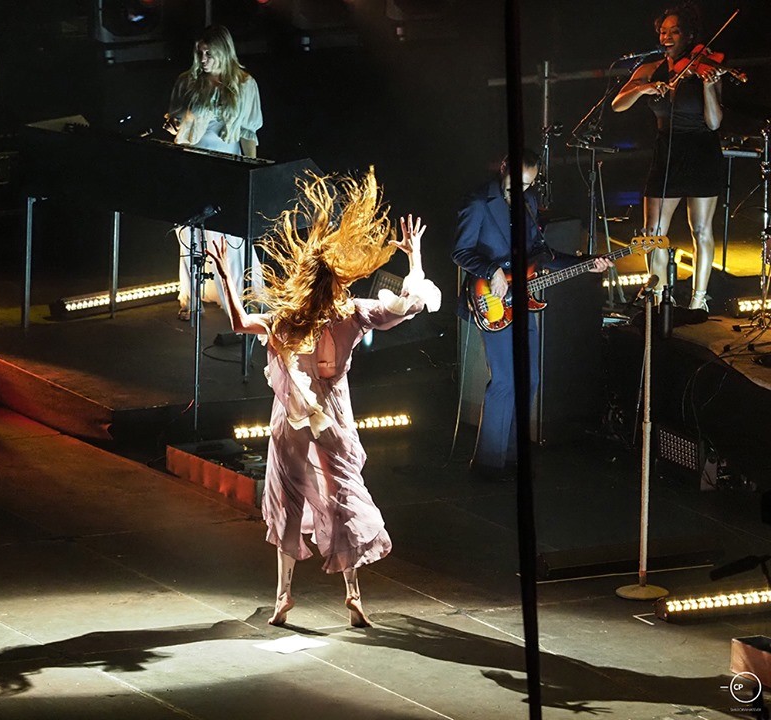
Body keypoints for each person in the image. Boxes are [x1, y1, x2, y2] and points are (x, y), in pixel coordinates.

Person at [207, 169, 440, 628]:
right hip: (333, 415)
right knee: (342, 493)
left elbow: (239, 323)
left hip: (293, 416)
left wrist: (225, 276)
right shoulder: (352, 313)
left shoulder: (287, 320)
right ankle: (352, 594)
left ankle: (283, 596)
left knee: (288, 497)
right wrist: (414, 259)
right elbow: (408, 304)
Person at [451, 151, 611, 481]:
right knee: (505, 380)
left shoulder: (528, 201)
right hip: (490, 298)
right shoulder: (479, 202)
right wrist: (491, 269)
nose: (520, 190)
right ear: (504, 168)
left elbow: (541, 253)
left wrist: (585, 263)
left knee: (530, 380)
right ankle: (487, 464)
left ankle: (511, 456)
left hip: (522, 300)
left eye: (528, 184)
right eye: (516, 183)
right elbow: (460, 251)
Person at [611, 2, 724, 311]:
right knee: (653, 233)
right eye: (663, 31)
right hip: (667, 151)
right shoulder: (650, 69)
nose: (667, 37)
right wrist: (644, 89)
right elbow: (618, 104)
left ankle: (699, 299)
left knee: (701, 229)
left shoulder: (705, 68)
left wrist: (709, 88)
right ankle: (660, 296)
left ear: (688, 35)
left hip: (701, 151)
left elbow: (714, 123)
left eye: (674, 31)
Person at [165, 24, 264, 321]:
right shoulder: (188, 81)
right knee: (189, 231)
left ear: (224, 51)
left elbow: (248, 132)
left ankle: (237, 297)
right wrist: (174, 125)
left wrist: (250, 170)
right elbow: (175, 122)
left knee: (225, 232)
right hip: (191, 162)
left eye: (209, 53)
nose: (204, 58)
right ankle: (191, 298)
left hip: (225, 163)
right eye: (200, 53)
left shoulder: (245, 84)